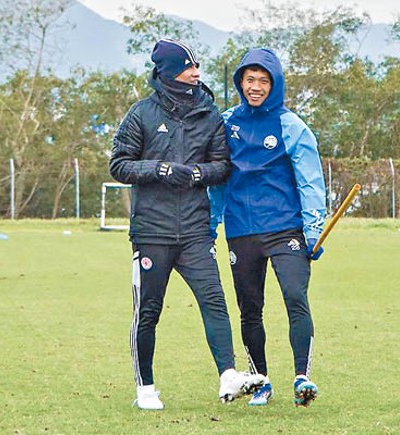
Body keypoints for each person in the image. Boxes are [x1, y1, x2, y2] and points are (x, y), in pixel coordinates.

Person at [109, 38, 264, 410]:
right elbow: (119, 163)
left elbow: (222, 166)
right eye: (189, 66)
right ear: (168, 72)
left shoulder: (209, 115)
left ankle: (228, 375)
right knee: (148, 311)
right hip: (152, 233)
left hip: (195, 230)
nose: (197, 72)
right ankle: (145, 388)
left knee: (214, 301)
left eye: (196, 66)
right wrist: (159, 170)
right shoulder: (141, 114)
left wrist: (195, 173)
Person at [210, 48, 327, 407]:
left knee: (295, 296)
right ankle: (260, 380)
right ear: (240, 82)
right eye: (250, 79)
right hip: (241, 230)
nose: (255, 86)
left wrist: (314, 230)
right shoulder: (226, 122)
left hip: (285, 229)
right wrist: (211, 224)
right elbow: (218, 180)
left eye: (263, 80)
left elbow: (310, 181)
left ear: (274, 84)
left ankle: (302, 377)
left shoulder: (291, 125)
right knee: (249, 309)